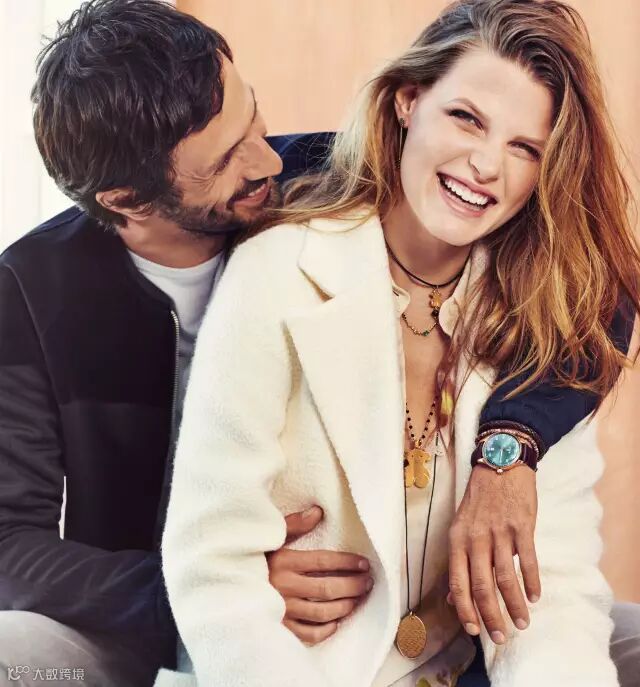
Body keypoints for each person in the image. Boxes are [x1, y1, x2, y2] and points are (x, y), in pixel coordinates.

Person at [0, 1, 636, 686]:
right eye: (225, 159)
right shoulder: (35, 288)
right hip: (154, 616)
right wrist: (226, 583)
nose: (268, 159)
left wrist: (510, 446)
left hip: (407, 624)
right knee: (16, 652)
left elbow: (590, 287)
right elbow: (10, 544)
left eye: (253, 118)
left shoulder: (319, 177)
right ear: (127, 200)